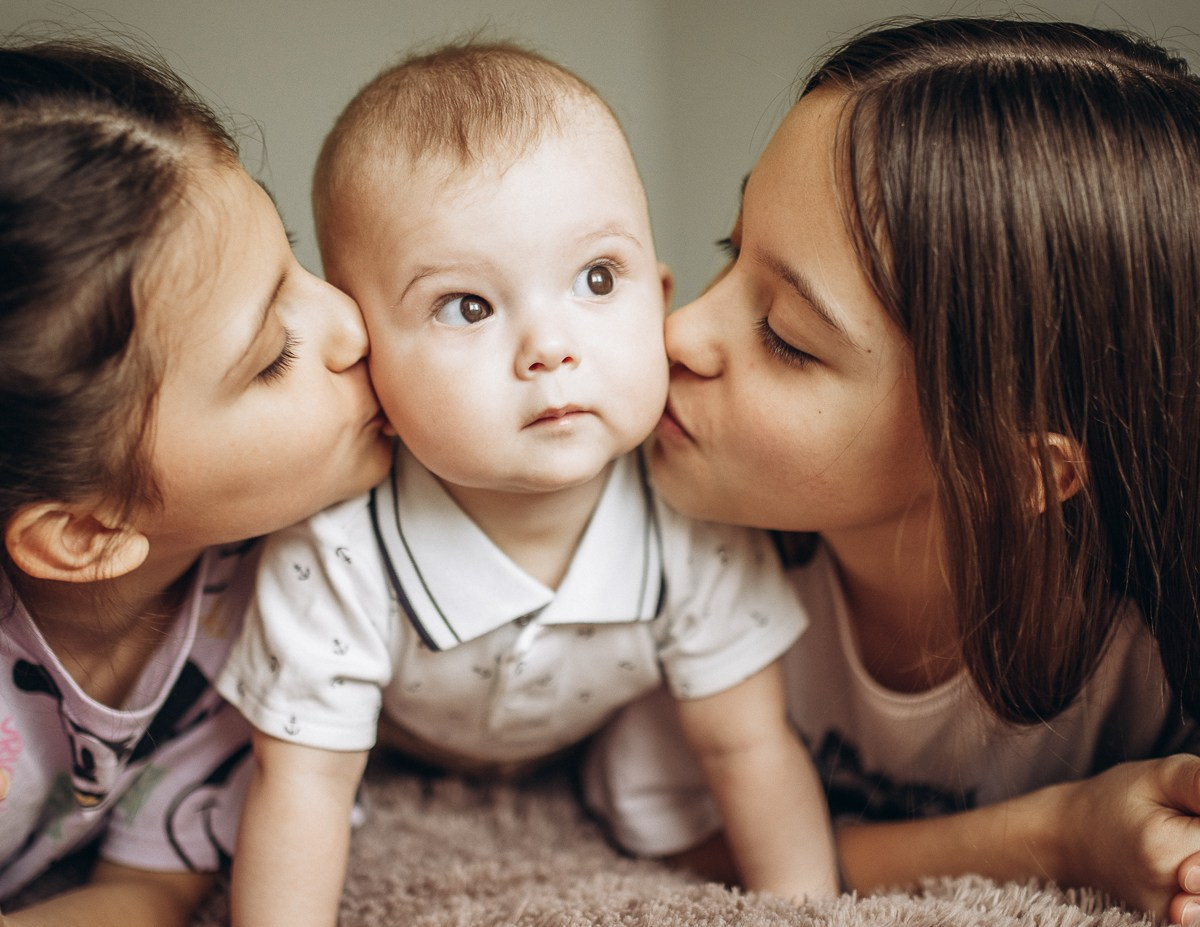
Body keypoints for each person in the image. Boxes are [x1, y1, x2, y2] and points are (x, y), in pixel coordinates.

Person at [581, 15, 1200, 925]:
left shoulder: (1156, 655)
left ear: (1012, 470)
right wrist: (1060, 832)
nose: (677, 333)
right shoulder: (672, 553)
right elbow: (676, 835)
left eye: (787, 338)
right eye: (730, 249)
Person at [215, 40, 837, 927]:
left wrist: (809, 911)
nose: (551, 345)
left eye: (597, 278)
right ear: (368, 364)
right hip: (400, 741)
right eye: (467, 305)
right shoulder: (340, 549)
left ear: (658, 298)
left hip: (590, 738)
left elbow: (748, 746)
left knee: (661, 788)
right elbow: (303, 780)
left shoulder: (691, 516)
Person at [0, 37, 393, 927]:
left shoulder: (274, 603)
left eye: (292, 258)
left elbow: (144, 893)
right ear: (87, 530)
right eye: (273, 356)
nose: (348, 321)